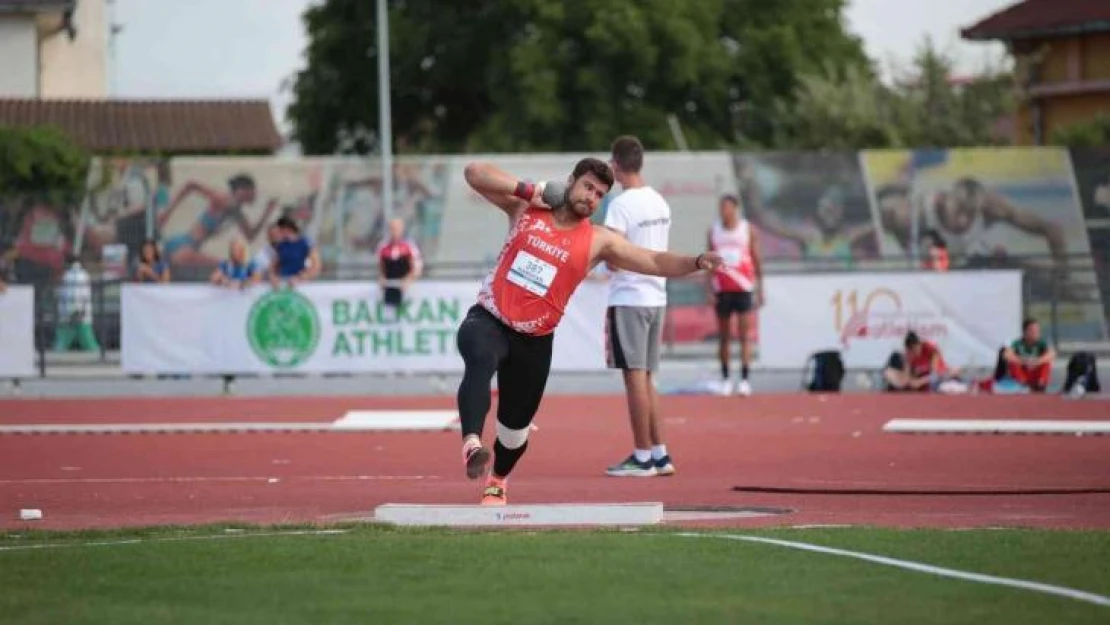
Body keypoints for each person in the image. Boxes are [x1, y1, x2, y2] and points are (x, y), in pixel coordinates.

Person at [456, 157, 722, 505]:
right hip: (490, 317)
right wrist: (530, 189)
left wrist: (696, 262)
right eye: (587, 187)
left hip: (534, 340)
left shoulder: (598, 241)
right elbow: (474, 173)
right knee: (479, 357)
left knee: (514, 431)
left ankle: (498, 479)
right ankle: (472, 443)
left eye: (599, 194)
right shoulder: (527, 208)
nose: (591, 197)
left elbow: (653, 260)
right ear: (570, 182)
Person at [601, 136, 675, 478]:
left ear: (616, 165)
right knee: (647, 379)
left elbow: (614, 256)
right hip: (656, 296)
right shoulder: (659, 202)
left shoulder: (620, 204)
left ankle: (642, 456)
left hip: (629, 298)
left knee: (634, 379)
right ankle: (659, 453)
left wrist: (599, 264)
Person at [706, 193, 763, 396]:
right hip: (722, 288)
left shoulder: (746, 230)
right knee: (724, 337)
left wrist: (760, 287)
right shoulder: (714, 231)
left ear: (735, 209)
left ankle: (745, 379)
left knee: (745, 335)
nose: (724, 211)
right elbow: (708, 261)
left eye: (728, 207)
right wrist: (708, 288)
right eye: (722, 207)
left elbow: (756, 258)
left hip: (744, 287)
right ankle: (725, 378)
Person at [883, 331, 959, 392]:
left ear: (919, 344)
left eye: (916, 349)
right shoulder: (908, 355)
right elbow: (907, 375)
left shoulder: (929, 349)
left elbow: (935, 375)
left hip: (937, 379)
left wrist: (920, 381)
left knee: (954, 371)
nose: (915, 353)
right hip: (921, 383)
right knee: (890, 373)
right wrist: (910, 381)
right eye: (911, 351)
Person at [376, 217, 423, 309]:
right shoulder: (383, 246)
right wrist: (381, 277)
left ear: (402, 230)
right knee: (389, 313)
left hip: (406, 287)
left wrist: (409, 279)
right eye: (392, 229)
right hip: (390, 287)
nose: (395, 232)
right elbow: (381, 266)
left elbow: (417, 267)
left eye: (397, 229)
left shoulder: (409, 246)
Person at [1001, 318, 1055, 392]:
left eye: (1037, 330)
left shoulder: (1042, 343)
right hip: (1023, 372)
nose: (1036, 332)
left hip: (1035, 371)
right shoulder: (1017, 342)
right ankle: (1022, 384)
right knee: (1013, 363)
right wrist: (1023, 361)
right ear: (1025, 331)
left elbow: (1051, 354)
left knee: (1046, 363)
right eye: (1032, 330)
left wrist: (1037, 361)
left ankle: (1041, 384)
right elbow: (1006, 355)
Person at [269, 216, 321, 288]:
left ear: (288, 229)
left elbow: (316, 267)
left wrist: (300, 277)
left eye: (280, 230)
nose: (279, 233)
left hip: (300, 283)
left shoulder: (306, 243)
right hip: (283, 281)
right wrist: (273, 277)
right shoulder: (281, 245)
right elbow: (273, 266)